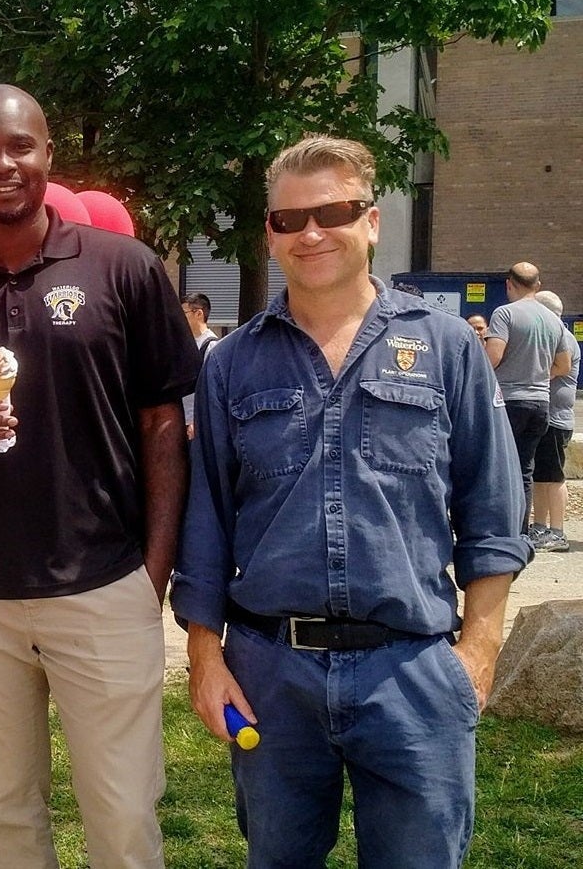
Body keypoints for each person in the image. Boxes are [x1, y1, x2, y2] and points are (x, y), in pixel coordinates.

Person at [172, 135, 532, 868]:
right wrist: (204, 657)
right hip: (271, 675)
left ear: (371, 220)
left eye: (332, 211)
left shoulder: (444, 347)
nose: (309, 232)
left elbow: (493, 509)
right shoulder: (232, 362)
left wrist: (478, 652)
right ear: (267, 234)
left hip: (413, 674)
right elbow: (204, 520)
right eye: (286, 219)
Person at [0, 84, 197, 868]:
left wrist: (150, 575)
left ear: (48, 155)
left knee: (123, 817)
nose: (3, 163)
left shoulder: (122, 269)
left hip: (101, 584)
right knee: (3, 816)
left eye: (20, 145)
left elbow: (164, 426)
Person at [486, 261, 574, 532]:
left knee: (498, 466)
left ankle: (499, 528)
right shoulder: (554, 321)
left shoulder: (504, 314)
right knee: (525, 469)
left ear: (509, 284)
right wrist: (536, 374)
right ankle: (521, 531)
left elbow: (493, 357)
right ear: (537, 285)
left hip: (509, 401)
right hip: (540, 403)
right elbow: (564, 366)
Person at [529, 290, 578, 551]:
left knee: (554, 477)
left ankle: (557, 531)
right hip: (547, 416)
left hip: (557, 419)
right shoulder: (553, 335)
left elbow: (557, 369)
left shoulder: (562, 338)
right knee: (539, 475)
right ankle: (539, 527)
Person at [181, 291, 219, 439]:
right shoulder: (186, 343)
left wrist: (197, 420)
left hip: (196, 425)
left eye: (184, 312)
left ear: (199, 314)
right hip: (183, 420)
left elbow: (212, 390)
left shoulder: (212, 346)